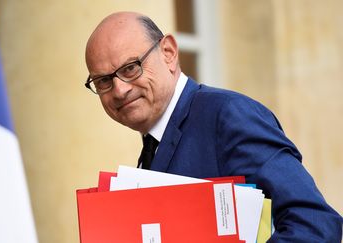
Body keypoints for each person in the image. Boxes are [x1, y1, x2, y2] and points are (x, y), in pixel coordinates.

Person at [84, 11, 342, 242]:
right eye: (104, 81)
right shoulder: (153, 145)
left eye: (131, 68)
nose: (120, 90)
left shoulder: (229, 115)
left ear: (169, 53)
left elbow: (315, 224)